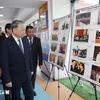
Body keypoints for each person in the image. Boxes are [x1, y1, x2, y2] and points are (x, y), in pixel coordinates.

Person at [1, 20, 34, 100]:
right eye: (22, 30)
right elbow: (4, 63)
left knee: (30, 94)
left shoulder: (25, 40)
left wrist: (31, 69)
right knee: (16, 97)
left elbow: (28, 56)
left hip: (27, 75)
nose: (24, 32)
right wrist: (7, 79)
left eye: (24, 29)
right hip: (14, 77)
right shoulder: (5, 43)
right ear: (14, 30)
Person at [26, 26, 43, 96]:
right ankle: (27, 89)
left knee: (33, 76)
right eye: (29, 32)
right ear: (26, 32)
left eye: (32, 32)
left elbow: (40, 52)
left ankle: (32, 90)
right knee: (27, 77)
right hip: (25, 62)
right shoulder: (23, 39)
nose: (31, 33)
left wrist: (40, 63)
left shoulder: (37, 40)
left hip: (34, 62)